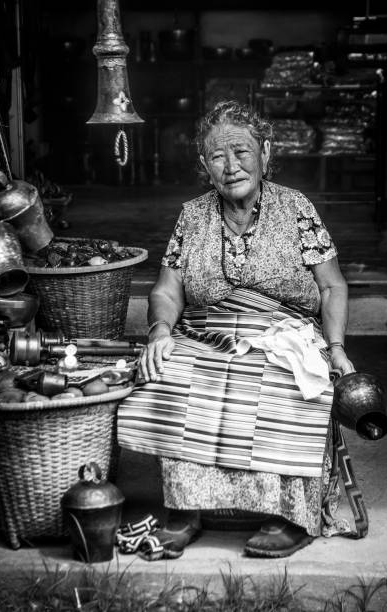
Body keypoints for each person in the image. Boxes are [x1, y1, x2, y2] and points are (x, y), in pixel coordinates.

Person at [118, 100, 362, 560]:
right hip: (209, 334)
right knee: (170, 374)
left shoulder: (296, 209)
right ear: (204, 167)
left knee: (292, 382)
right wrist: (160, 331)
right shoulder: (192, 216)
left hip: (281, 333)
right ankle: (186, 510)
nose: (231, 167)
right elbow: (168, 291)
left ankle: (289, 514)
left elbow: (331, 287)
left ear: (265, 153)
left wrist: (336, 348)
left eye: (242, 152)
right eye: (217, 156)